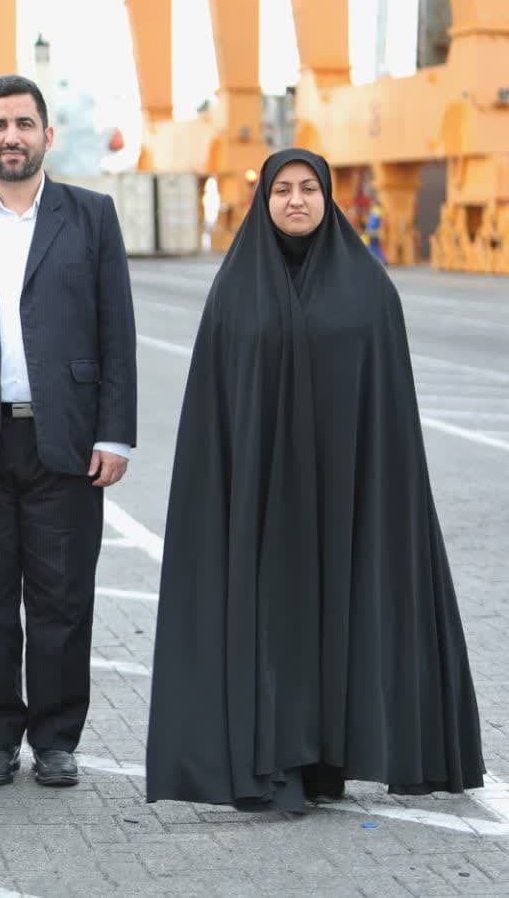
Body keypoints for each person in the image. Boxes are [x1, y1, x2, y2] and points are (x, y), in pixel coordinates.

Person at [146, 148, 484, 811]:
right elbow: (217, 408)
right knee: (273, 621)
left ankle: (335, 753)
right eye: (281, 190)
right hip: (263, 498)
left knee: (344, 613)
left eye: (308, 188)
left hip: (347, 495)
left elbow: (389, 414)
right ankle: (277, 757)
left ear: (328, 198)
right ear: (263, 201)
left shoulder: (371, 291)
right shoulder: (235, 292)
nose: (295, 200)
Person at [0, 75, 138, 788]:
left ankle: (56, 738)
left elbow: (116, 329)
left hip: (65, 441)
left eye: (24, 124)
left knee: (62, 599)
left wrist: (115, 433)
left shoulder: (92, 216)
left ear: (47, 135)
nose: (12, 137)